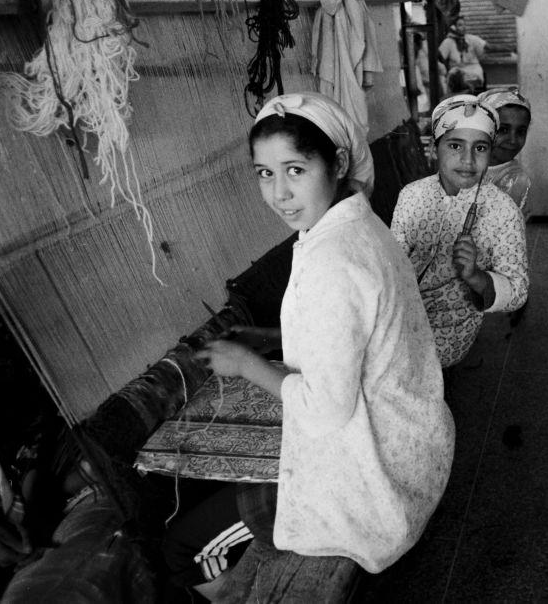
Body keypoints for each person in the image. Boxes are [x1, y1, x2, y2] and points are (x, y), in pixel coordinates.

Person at [164, 92, 455, 601]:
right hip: (411, 447)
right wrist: (269, 340)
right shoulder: (359, 225)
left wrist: (247, 364)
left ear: (337, 162)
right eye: (264, 174)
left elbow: (324, 411)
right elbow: (350, 332)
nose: (279, 194)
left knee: (181, 547)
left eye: (295, 170)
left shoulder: (332, 261)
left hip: (365, 485)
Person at [391, 95, 529, 368]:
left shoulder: (502, 209)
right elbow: (393, 259)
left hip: (451, 327)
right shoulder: (412, 195)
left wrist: (476, 277)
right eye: (455, 145)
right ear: (435, 146)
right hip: (399, 314)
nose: (467, 160)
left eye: (480, 148)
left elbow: (517, 290)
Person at [477, 86, 533, 218]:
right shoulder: (464, 166)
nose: (512, 140)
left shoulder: (516, 181)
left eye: (520, 132)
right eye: (503, 130)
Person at [437, 16, 511, 95]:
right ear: (453, 27)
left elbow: (488, 47)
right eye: (460, 25)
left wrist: (509, 48)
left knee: (471, 80)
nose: (464, 27)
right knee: (454, 76)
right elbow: (440, 57)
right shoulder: (448, 42)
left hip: (473, 70)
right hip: (457, 73)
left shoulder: (471, 39)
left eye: (464, 25)